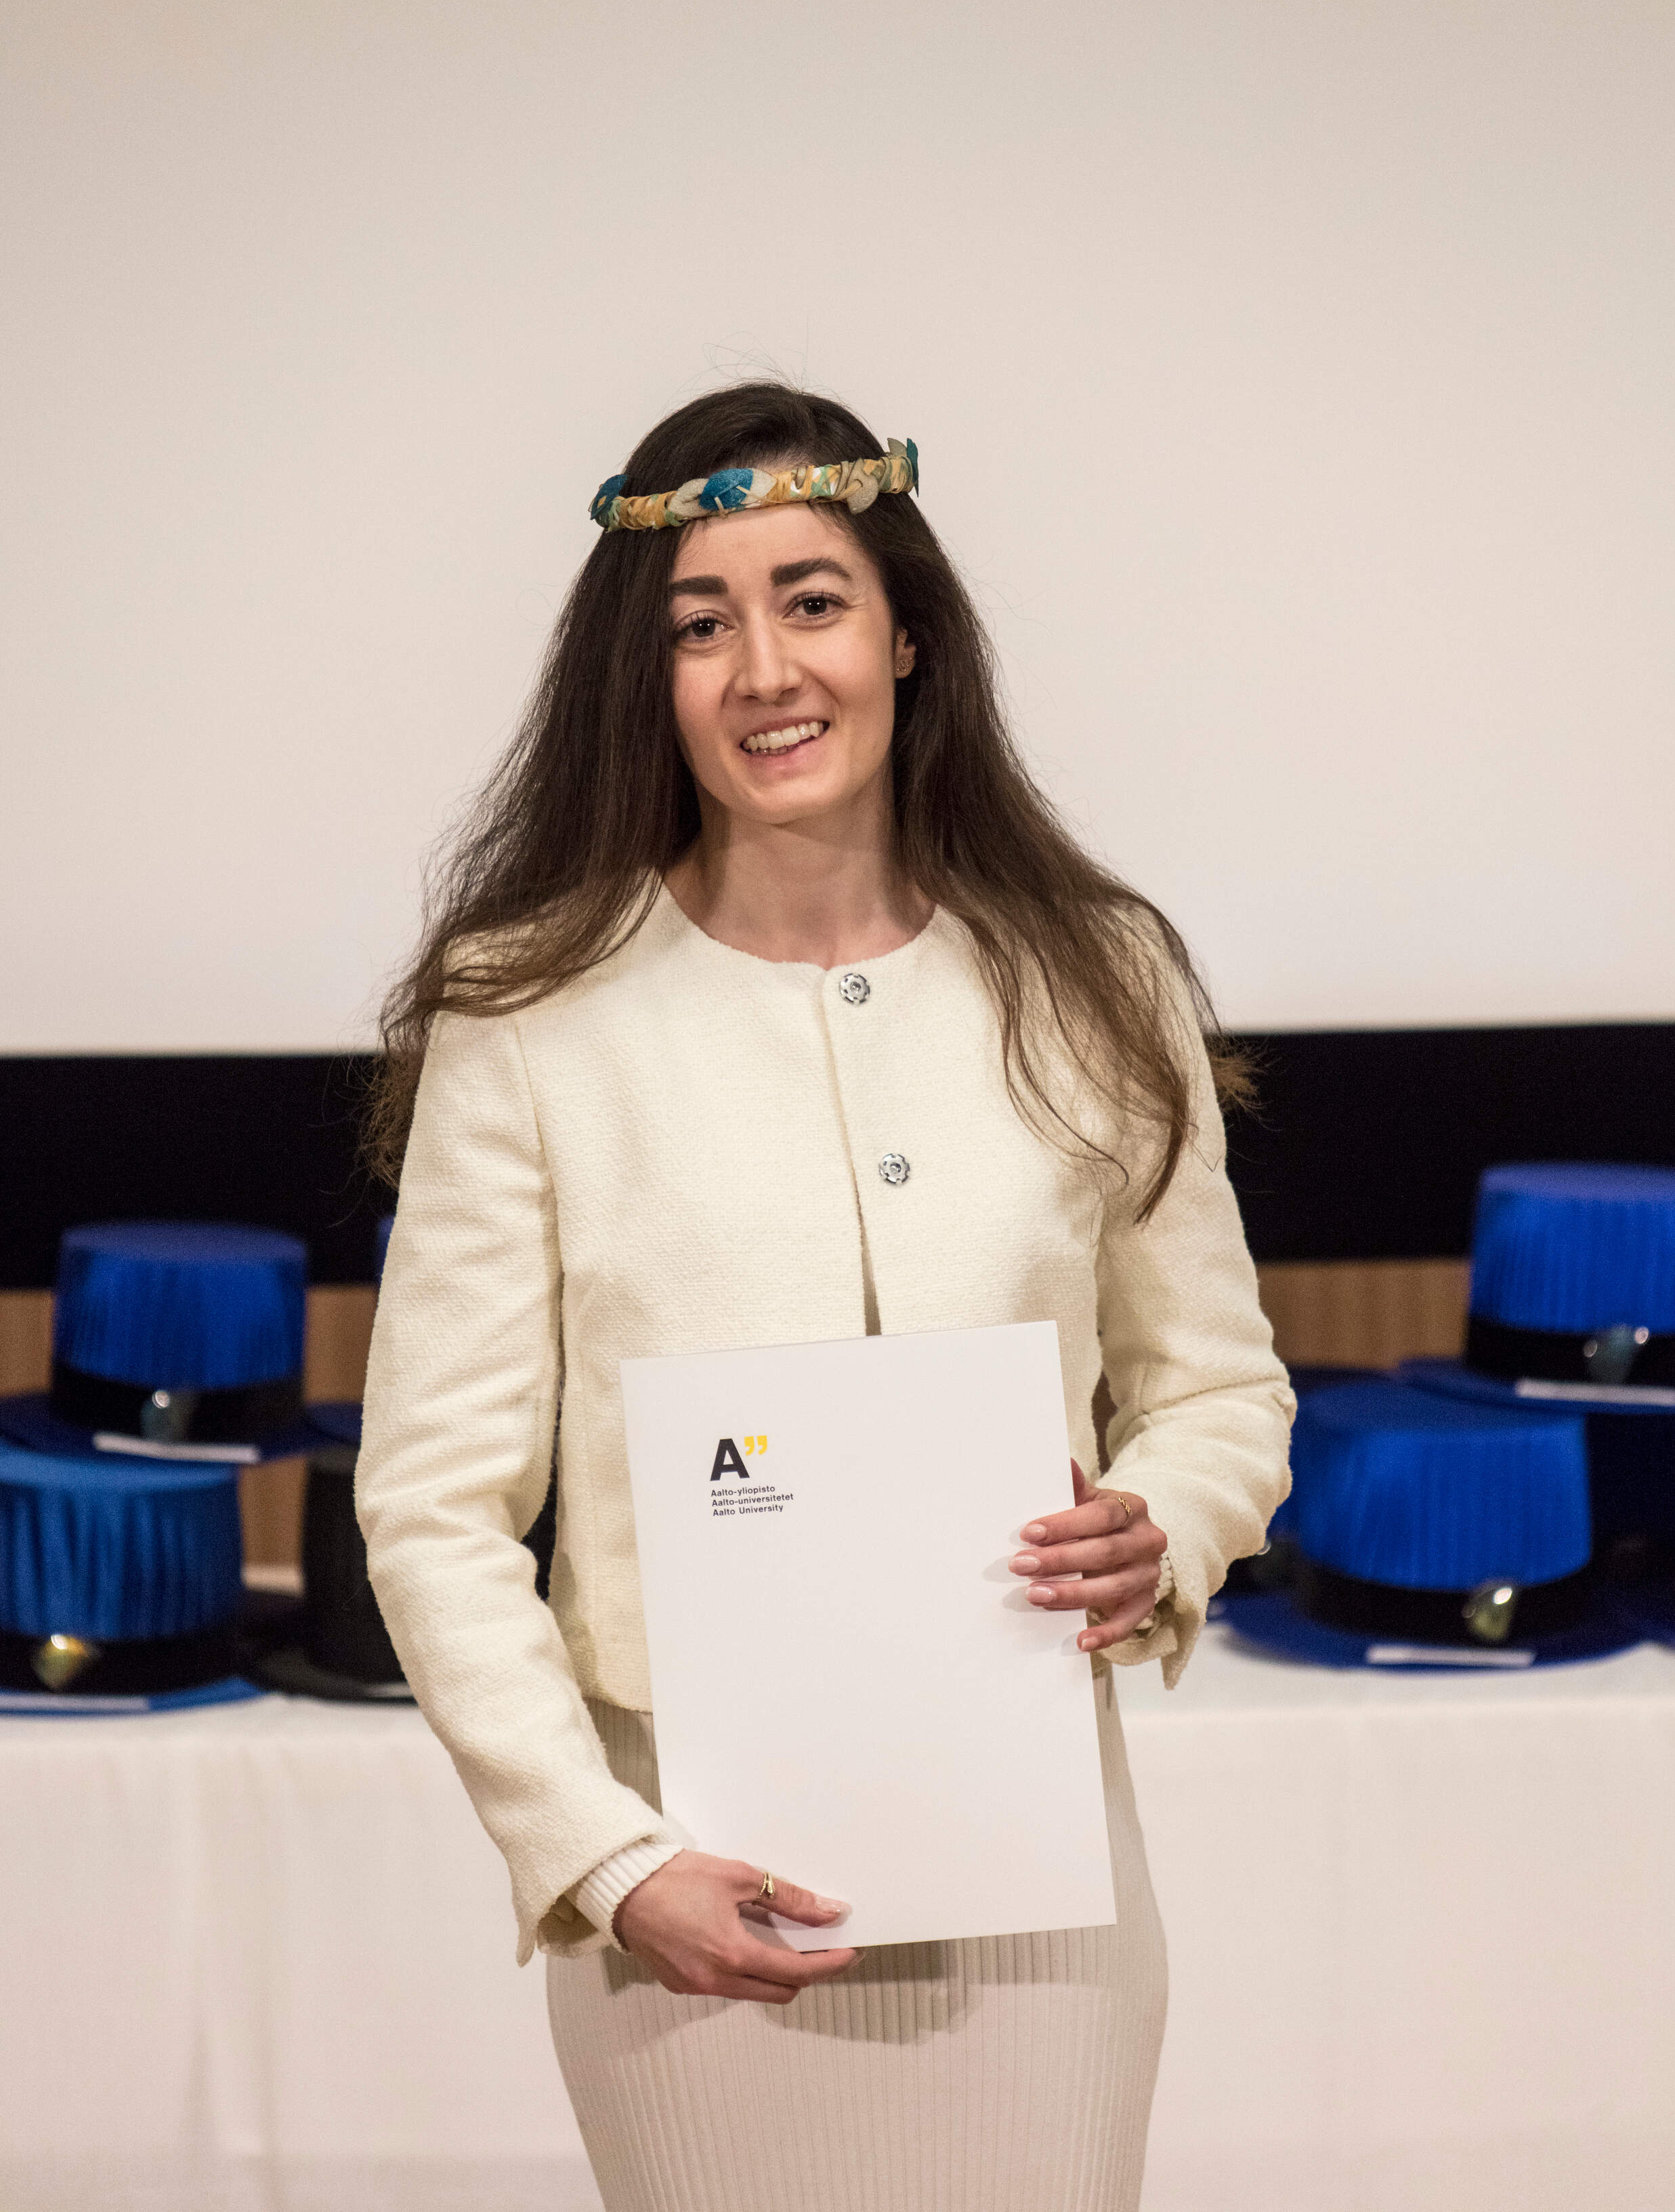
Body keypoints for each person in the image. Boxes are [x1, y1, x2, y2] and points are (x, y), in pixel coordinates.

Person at [358, 383, 1292, 2212]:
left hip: (1045, 1891)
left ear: (905, 634)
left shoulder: (1096, 977)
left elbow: (1217, 1392)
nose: (764, 669)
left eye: (811, 600)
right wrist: (606, 1862)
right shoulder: (526, 1012)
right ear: (645, 675)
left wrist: (1164, 1530)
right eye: (699, 624)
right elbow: (432, 1508)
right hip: (686, 1897)